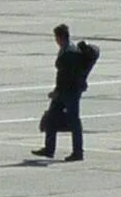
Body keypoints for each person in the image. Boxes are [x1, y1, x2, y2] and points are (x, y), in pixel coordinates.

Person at [34, 23, 86, 162]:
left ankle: (78, 152)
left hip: (69, 92)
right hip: (65, 91)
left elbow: (65, 77)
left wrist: (57, 92)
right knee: (51, 117)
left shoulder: (69, 52)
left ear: (60, 37)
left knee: (74, 121)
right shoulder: (68, 49)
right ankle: (49, 149)